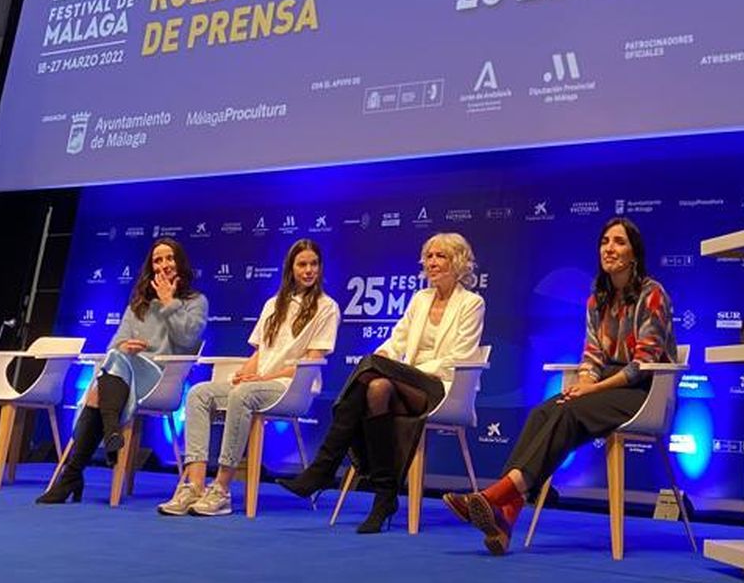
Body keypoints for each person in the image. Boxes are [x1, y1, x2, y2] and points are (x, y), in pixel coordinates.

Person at [442, 217, 675, 555]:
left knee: (570, 412)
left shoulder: (652, 294)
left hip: (645, 391)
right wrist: (581, 382)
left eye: (619, 242)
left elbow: (643, 364)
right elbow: (593, 355)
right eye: (605, 241)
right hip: (607, 385)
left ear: (634, 253)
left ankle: (497, 495)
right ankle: (505, 513)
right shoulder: (597, 299)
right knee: (545, 410)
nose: (609, 248)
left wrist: (591, 390)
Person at [279, 231, 485, 532]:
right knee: (376, 386)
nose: (432, 262)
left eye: (440, 256)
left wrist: (397, 368)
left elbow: (458, 357)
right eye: (428, 256)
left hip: (444, 388)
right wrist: (384, 361)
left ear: (458, 262)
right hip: (408, 386)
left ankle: (323, 469)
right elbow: (396, 340)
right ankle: (385, 497)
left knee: (375, 369)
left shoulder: (472, 303)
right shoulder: (421, 299)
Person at [158, 237, 340, 517]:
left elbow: (311, 362)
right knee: (199, 394)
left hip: (293, 388)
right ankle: (194, 485)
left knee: (243, 395)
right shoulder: (273, 305)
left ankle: (221, 489)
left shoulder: (327, 307)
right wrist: (245, 373)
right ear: (291, 268)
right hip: (262, 384)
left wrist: (261, 379)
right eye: (302, 264)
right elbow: (259, 352)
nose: (308, 270)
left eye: (314, 264)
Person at [37, 238, 207, 504]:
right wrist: (125, 345)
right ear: (151, 267)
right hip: (126, 372)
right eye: (157, 260)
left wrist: (169, 302)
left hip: (162, 377)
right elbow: (114, 344)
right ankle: (107, 435)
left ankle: (76, 471)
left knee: (101, 387)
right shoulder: (138, 304)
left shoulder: (195, 301)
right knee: (114, 359)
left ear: (179, 262)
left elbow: (187, 339)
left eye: (169, 258)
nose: (164, 265)